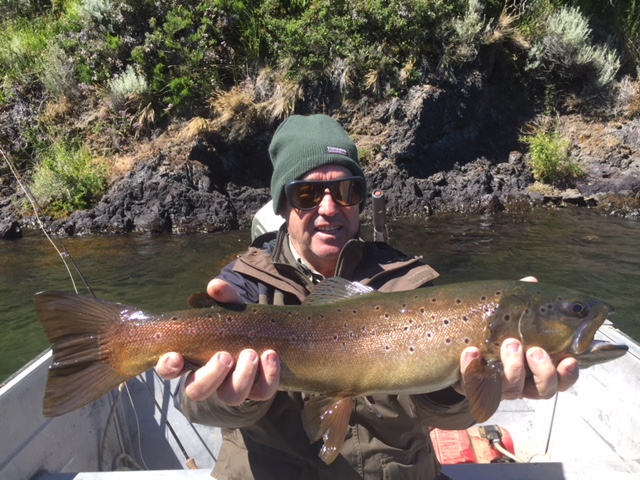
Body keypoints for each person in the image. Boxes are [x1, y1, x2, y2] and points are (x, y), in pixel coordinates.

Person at [156, 114, 579, 479]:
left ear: (359, 202)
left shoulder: (410, 285)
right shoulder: (243, 288)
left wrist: (466, 385)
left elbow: (443, 416)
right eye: (307, 194)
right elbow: (198, 409)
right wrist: (232, 400)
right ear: (283, 206)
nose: (329, 207)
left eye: (346, 191)